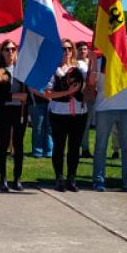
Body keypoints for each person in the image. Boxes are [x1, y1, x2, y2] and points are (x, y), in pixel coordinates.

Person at [89, 49, 127, 192]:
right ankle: (98, 179)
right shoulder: (99, 62)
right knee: (101, 147)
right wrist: (93, 61)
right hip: (104, 109)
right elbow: (92, 81)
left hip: (126, 108)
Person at [46, 39, 87, 192]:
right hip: (59, 112)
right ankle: (59, 178)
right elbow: (48, 93)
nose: (67, 51)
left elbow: (90, 82)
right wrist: (67, 92)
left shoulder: (80, 67)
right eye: (63, 48)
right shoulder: (53, 69)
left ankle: (72, 178)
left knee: (75, 147)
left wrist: (94, 61)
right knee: (59, 146)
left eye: (70, 48)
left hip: (79, 112)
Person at [0, 39, 27, 191]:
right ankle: (2, 177)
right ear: (2, 52)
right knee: (2, 144)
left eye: (13, 49)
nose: (10, 52)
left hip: (20, 112)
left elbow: (29, 94)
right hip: (4, 111)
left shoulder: (23, 70)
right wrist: (15, 97)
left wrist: (24, 97)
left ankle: (17, 178)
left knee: (19, 145)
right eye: (7, 49)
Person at [76, 41, 95, 158]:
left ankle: (85, 148)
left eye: (84, 49)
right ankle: (81, 147)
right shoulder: (77, 64)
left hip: (92, 96)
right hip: (82, 97)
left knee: (87, 124)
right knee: (81, 124)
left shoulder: (92, 62)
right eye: (80, 49)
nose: (83, 51)